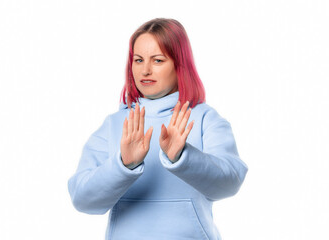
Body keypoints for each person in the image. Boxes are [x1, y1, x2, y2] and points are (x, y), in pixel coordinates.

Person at [68, 18, 248, 240]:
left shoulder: (204, 119)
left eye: (158, 60)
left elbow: (230, 183)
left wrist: (183, 157)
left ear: (179, 65)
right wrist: (124, 165)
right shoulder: (114, 124)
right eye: (138, 59)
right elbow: (82, 198)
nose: (145, 70)